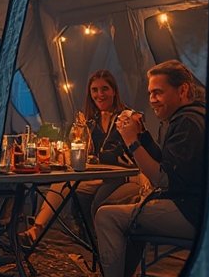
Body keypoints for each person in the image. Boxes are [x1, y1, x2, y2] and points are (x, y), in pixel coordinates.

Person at [94, 59, 206, 277]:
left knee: (106, 215)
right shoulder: (189, 117)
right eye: (150, 93)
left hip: (192, 211)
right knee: (123, 208)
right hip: (194, 205)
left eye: (158, 92)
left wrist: (131, 141)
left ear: (183, 90)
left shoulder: (188, 123)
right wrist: (142, 135)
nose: (152, 99)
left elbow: (162, 180)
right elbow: (167, 162)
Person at [17, 69, 141, 244]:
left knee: (99, 200)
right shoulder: (92, 121)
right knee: (61, 183)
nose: (99, 95)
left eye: (104, 89)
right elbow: (86, 151)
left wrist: (98, 157)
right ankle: (36, 230)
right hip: (99, 174)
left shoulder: (126, 117)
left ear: (114, 91)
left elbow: (126, 153)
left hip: (122, 176)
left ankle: (101, 245)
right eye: (94, 90)